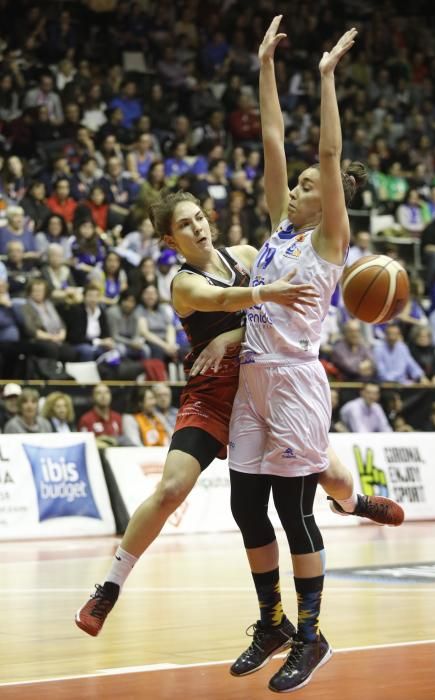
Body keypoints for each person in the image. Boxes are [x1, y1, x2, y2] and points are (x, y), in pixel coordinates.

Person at [75, 189, 318, 637]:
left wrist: (228, 339)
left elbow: (278, 324)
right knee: (170, 489)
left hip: (264, 388)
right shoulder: (183, 283)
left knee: (332, 474)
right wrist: (260, 301)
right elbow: (227, 302)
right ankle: (108, 588)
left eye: (200, 217)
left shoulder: (245, 254)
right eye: (185, 225)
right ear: (171, 241)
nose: (198, 227)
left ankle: (351, 503)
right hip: (213, 395)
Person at [225, 20, 378, 693]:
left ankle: (311, 638)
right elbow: (269, 141)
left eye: (310, 184)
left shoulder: (327, 241)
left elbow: (325, 145)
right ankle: (272, 624)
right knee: (245, 509)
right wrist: (263, 64)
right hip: (252, 384)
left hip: (294, 386)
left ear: (329, 199)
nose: (295, 188)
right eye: (297, 184)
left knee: (295, 514)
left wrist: (323, 77)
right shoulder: (280, 233)